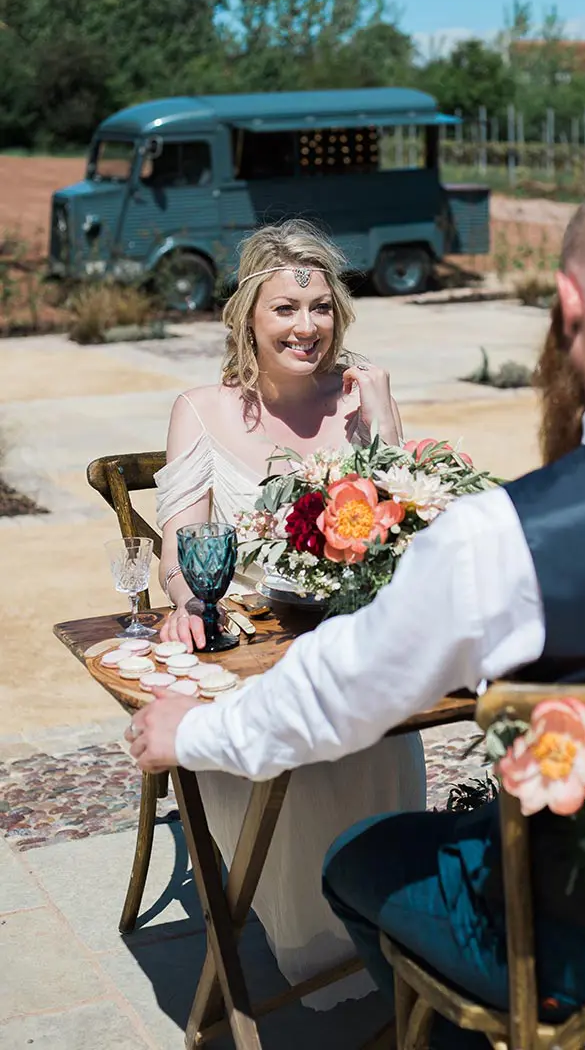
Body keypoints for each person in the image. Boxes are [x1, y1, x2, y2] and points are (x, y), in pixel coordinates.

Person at [129, 171, 585, 1045]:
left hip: (557, 946)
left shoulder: (501, 537)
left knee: (359, 859)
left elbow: (337, 696)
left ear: (565, 304)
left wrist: (192, 733)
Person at [152, 218, 425, 1008]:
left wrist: (385, 422)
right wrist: (184, 601)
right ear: (248, 317)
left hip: (349, 633)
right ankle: (324, 949)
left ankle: (392, 922)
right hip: (252, 653)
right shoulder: (200, 409)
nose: (306, 327)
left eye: (321, 308)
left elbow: (408, 531)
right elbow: (179, 548)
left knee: (377, 714)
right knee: (298, 737)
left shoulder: (360, 399)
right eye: (285, 309)